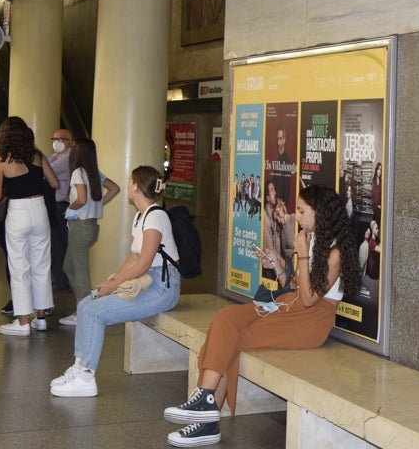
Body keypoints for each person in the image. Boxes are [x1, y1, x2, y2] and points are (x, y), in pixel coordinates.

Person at [163, 184, 360, 447]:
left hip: (311, 320)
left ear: (320, 213)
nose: (296, 217)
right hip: (291, 306)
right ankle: (206, 401)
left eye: (302, 211)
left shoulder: (334, 252)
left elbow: (311, 299)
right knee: (226, 318)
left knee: (236, 337)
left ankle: (207, 418)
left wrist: (301, 255)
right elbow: (294, 288)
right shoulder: (313, 239)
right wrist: (279, 266)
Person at [50, 165, 180, 397]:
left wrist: (112, 286)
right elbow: (134, 257)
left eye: (131, 182)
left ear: (137, 187)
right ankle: (79, 367)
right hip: (145, 281)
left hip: (162, 287)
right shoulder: (141, 216)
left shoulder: (156, 217)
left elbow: (144, 264)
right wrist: (114, 279)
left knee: (94, 313)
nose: (128, 185)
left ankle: (87, 376)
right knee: (83, 305)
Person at [0, 116, 59, 337]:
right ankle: (40, 318)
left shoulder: (0, 160)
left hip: (18, 212)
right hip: (39, 209)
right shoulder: (37, 155)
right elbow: (55, 183)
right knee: (41, 264)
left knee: (19, 267)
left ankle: (22, 322)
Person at [59, 137, 121, 325]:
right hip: (91, 226)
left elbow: (82, 199)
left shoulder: (78, 172)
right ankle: (84, 304)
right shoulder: (93, 172)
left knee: (80, 270)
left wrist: (71, 207)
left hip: (80, 226)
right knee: (68, 267)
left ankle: (83, 312)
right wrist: (99, 204)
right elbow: (114, 188)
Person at [47, 128, 75, 294]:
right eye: (55, 138)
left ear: (70, 142)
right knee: (55, 245)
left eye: (62, 139)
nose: (57, 142)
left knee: (58, 246)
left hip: (61, 206)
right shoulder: (55, 157)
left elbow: (46, 171)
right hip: (55, 205)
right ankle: (59, 278)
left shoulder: (67, 158)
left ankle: (61, 280)